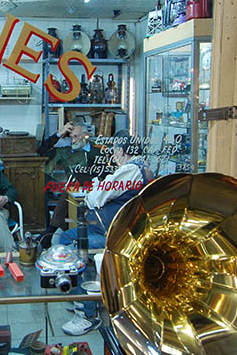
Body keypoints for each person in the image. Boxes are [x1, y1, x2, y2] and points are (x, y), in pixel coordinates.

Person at [59, 130, 153, 336]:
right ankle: (78, 296)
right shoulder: (141, 166)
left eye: (114, 151)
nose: (112, 155)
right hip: (113, 228)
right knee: (64, 237)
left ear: (120, 151)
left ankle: (87, 314)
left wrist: (97, 190)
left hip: (114, 234)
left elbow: (94, 199)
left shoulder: (130, 170)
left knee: (73, 250)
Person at [38, 120, 109, 244]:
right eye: (70, 137)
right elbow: (41, 152)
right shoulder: (66, 152)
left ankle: (50, 232)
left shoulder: (99, 151)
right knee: (68, 193)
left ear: (85, 135)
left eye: (76, 136)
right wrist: (59, 135)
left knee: (68, 193)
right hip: (73, 192)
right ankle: (55, 233)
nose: (73, 141)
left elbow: (108, 174)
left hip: (96, 191)